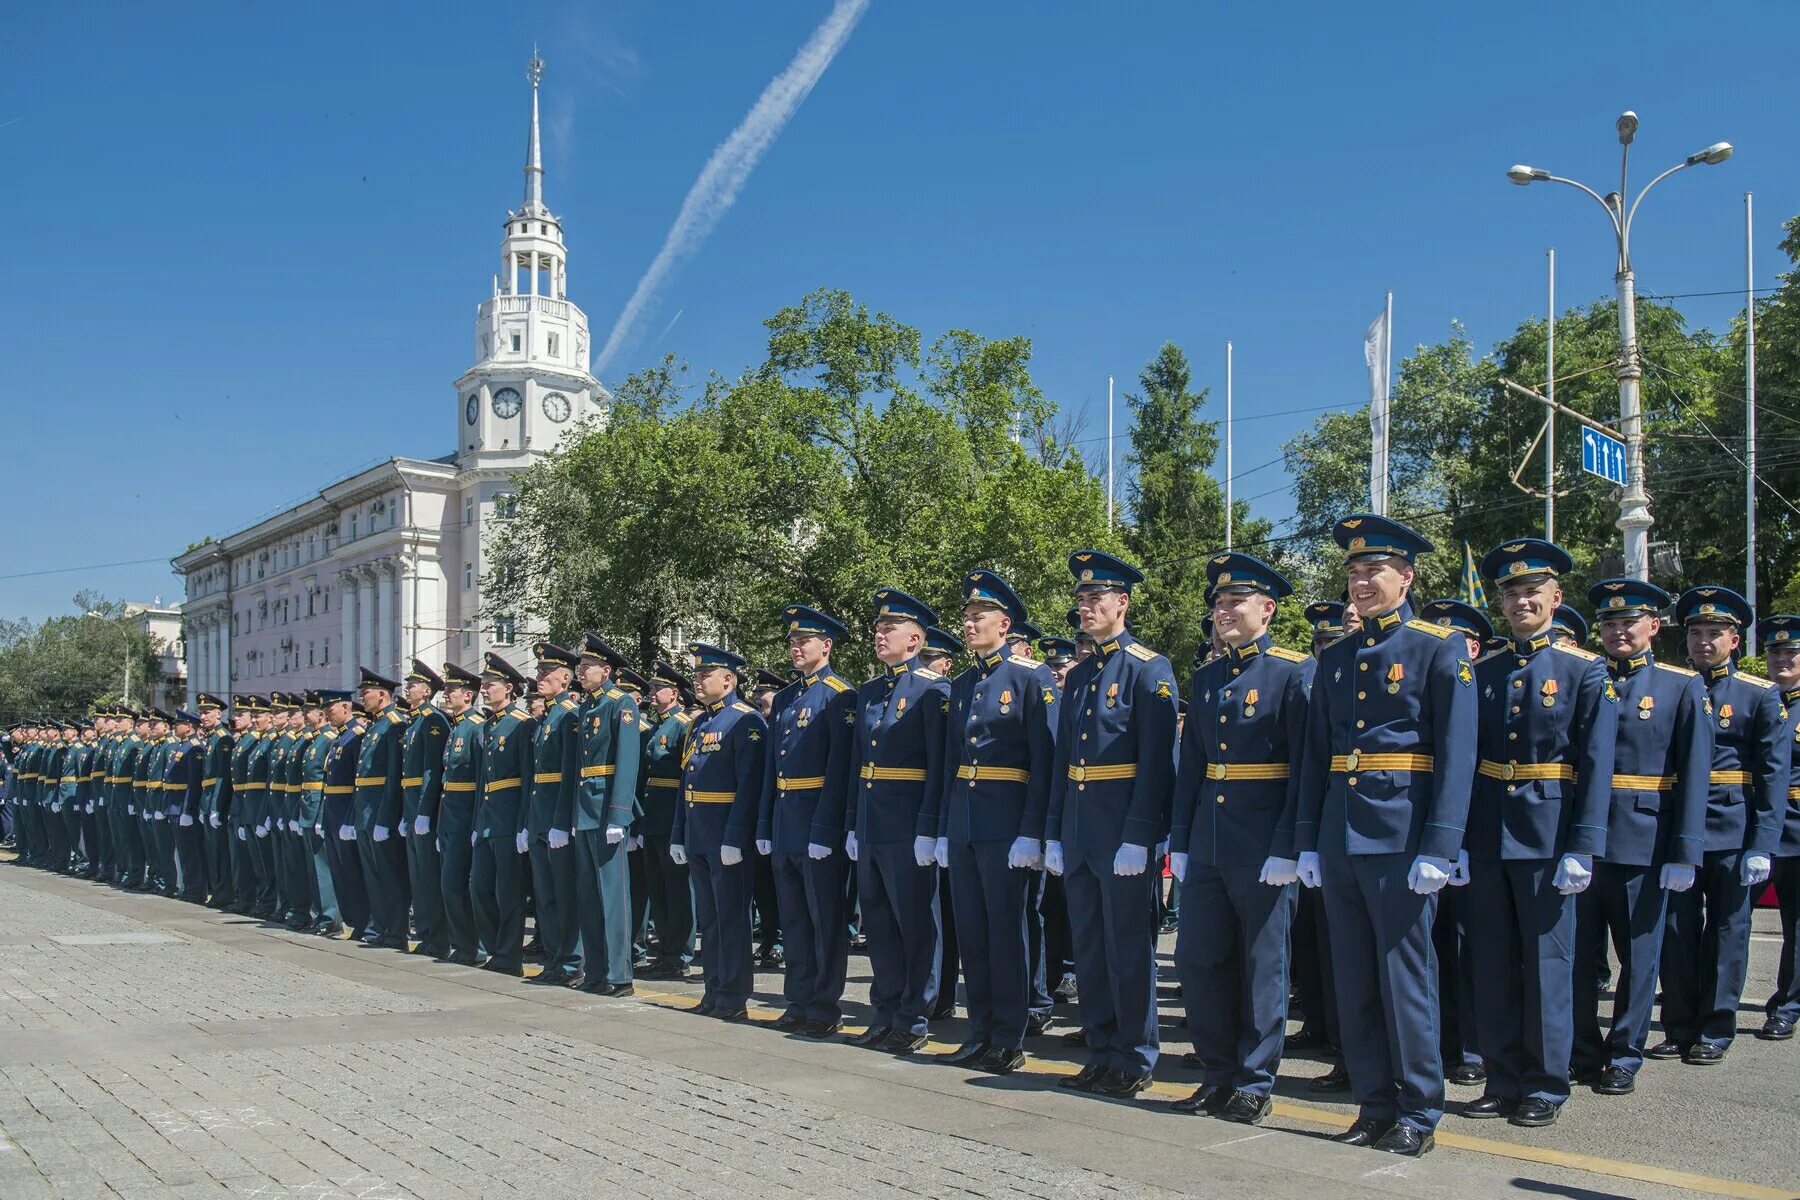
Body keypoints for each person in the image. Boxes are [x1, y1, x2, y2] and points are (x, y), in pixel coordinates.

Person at [1294, 515, 1477, 1158]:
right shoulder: (1336, 658)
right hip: (1341, 839)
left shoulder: (1438, 647)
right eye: (1353, 570)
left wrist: (1441, 845)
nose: (1362, 580)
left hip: (1401, 838)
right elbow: (1318, 759)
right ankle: (1373, 1102)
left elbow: (1457, 755)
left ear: (1407, 577)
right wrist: (1308, 842)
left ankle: (1420, 1109)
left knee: (1406, 979)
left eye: (1375, 570)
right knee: (1353, 979)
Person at [1462, 541, 1616, 1129]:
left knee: (1549, 964)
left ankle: (1547, 1084)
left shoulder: (1583, 669)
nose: (1521, 600)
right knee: (1494, 964)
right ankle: (1502, 1077)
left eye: (1532, 591)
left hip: (1550, 836)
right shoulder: (1484, 671)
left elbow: (1596, 764)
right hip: (1488, 834)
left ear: (1556, 598)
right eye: (1511, 592)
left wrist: (1584, 844)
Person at [1169, 553, 1309, 1124]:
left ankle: (1254, 1079)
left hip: (1263, 843)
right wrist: (1180, 839)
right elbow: (1193, 765)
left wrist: (1289, 844)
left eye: (1236, 602)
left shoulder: (1294, 671)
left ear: (1267, 610)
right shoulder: (1206, 676)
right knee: (1199, 960)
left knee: (1262, 965)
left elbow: (1304, 767)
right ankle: (1216, 1071)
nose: (1223, 612)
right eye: (1219, 604)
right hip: (1209, 841)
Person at [1048, 550, 1178, 1100]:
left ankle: (1136, 1054)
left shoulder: (1149, 668)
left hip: (1122, 831)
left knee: (1128, 951)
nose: (1086, 607)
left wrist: (1141, 834)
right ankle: (1102, 1049)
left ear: (1122, 603)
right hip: (1080, 830)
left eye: (1096, 598)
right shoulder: (1079, 676)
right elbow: (1063, 761)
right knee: (1092, 947)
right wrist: (1055, 832)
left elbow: (1158, 762)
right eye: (1081, 599)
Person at [1571, 579, 1709, 1095]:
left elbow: (1695, 774)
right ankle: (1582, 1049)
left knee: (1639, 955)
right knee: (1580, 956)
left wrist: (1685, 850)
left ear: (1654, 626)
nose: (1617, 631)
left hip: (1645, 839)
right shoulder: (1585, 676)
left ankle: (1625, 1051)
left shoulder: (1680, 686)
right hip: (1582, 842)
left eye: (1628, 622)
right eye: (1608, 623)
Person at [1651, 586, 1788, 1064]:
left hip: (1733, 827)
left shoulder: (1759, 696)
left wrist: (1762, 843)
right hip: (1677, 831)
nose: (1703, 643)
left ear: (1735, 640)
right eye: (1695, 634)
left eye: (1715, 634)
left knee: (1729, 929)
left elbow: (1772, 775)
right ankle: (1679, 1023)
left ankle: (1716, 1025)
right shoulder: (1670, 688)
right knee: (1676, 928)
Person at [939, 570, 1059, 1074]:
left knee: (1008, 932)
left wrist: (1032, 829)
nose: (969, 624)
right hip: (967, 822)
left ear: (1005, 624)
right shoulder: (964, 682)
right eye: (966, 617)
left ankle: (1009, 1034)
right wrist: (946, 827)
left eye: (978, 617)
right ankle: (979, 1028)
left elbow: (1045, 760)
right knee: (972, 931)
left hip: (1008, 824)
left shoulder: (1032, 678)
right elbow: (950, 761)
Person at [844, 591, 950, 1053]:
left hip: (908, 827)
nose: (879, 634)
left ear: (915, 639)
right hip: (871, 826)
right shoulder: (870, 691)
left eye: (890, 629)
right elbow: (857, 766)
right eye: (878, 628)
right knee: (880, 924)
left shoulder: (933, 690)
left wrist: (929, 827)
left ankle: (914, 1015)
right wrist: (852, 823)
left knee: (915, 924)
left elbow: (939, 767)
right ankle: (885, 1010)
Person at [758, 606, 856, 1037]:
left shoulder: (839, 695)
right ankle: (797, 999)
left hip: (817, 823)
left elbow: (840, 771)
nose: (796, 648)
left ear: (826, 646)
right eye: (793, 642)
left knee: (825, 920)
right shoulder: (785, 699)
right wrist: (765, 825)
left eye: (805, 641)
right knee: (793, 919)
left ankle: (824, 1005)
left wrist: (826, 829)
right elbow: (770, 771)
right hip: (785, 821)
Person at [1414, 598, 1494, 1090]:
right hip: (1426, 835)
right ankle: (1440, 1043)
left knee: (1467, 948)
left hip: (1473, 835)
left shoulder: (1488, 682)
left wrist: (1458, 838)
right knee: (1431, 947)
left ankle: (1471, 1047)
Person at [671, 642, 766, 1020]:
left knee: (731, 918)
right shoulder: (699, 722)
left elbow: (749, 786)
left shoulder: (746, 720)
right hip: (698, 834)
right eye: (696, 674)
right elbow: (686, 782)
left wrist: (736, 836)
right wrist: (679, 832)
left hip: (725, 835)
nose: (697, 680)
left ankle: (733, 995)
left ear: (728, 680)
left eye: (704, 674)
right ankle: (713, 989)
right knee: (708, 920)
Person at [571, 633, 642, 996]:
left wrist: (619, 815)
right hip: (585, 811)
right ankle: (596, 971)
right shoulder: (587, 707)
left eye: (586, 667)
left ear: (607, 670)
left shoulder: (621, 704)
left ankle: (619, 974)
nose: (579, 672)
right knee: (588, 896)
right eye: (579, 666)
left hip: (606, 812)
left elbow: (627, 763)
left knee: (613, 897)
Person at [522, 642, 583, 985]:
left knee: (563, 894)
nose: (540, 677)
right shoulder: (548, 717)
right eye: (539, 672)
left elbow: (569, 775)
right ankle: (554, 958)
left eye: (547, 673)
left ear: (564, 679)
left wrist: (562, 822)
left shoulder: (569, 717)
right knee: (544, 894)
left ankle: (571, 961)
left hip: (556, 819)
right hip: (539, 817)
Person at [472, 653, 535, 976]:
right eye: (483, 685)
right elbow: (484, 779)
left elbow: (527, 780)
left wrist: (523, 823)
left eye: (490, 685)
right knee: (479, 887)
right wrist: (477, 823)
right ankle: (495, 947)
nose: (484, 689)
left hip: (510, 820)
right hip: (487, 821)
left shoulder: (522, 725)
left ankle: (509, 956)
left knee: (509, 891)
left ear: (508, 688)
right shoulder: (489, 726)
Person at [637, 660, 698, 979]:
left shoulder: (683, 725)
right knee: (658, 888)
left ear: (673, 693)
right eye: (650, 688)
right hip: (653, 816)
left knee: (677, 888)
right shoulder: (657, 725)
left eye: (656, 688)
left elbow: (685, 777)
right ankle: (665, 949)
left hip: (672, 813)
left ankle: (680, 953)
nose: (652, 693)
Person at [1756, 615, 1800, 1042]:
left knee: (1797, 925)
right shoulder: (1758, 699)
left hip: (1798, 829)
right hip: (1755, 828)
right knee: (1727, 921)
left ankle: (1787, 1004)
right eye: (1775, 652)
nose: (1781, 659)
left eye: (1790, 653)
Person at [353, 669, 409, 949]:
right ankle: (381, 928)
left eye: (366, 693)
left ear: (383, 695)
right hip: (366, 810)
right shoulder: (376, 725)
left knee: (389, 874)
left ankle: (395, 931)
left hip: (380, 812)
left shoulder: (395, 724)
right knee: (374, 876)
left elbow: (393, 776)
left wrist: (386, 818)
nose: (362, 697)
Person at [436, 661, 487, 965]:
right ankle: (462, 945)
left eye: (451, 689)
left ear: (468, 696)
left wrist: (475, 821)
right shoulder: (457, 728)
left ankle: (474, 946)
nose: (446, 694)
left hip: (467, 816)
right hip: (450, 817)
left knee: (459, 885)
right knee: (449, 885)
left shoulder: (476, 728)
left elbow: (482, 779)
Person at [400, 660, 452, 958]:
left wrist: (423, 811)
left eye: (412, 685)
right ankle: (427, 933)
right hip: (410, 807)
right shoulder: (416, 720)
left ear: (427, 690)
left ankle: (437, 937)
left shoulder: (434, 721)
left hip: (424, 809)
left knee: (429, 878)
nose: (408, 689)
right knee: (418, 878)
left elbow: (432, 770)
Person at [322, 689, 371, 940]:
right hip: (333, 811)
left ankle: (361, 923)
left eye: (330, 708)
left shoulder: (357, 736)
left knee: (352, 871)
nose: (327, 713)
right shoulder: (340, 738)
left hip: (346, 812)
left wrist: (351, 818)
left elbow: (358, 780)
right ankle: (351, 923)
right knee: (340, 871)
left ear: (345, 707)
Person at [297, 691, 342, 936]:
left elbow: (328, 781)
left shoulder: (329, 739)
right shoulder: (315, 740)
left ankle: (330, 918)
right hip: (308, 808)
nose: (305, 714)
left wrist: (322, 815)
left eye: (309, 711)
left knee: (323, 867)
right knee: (313, 868)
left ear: (321, 714)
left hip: (319, 809)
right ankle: (319, 915)